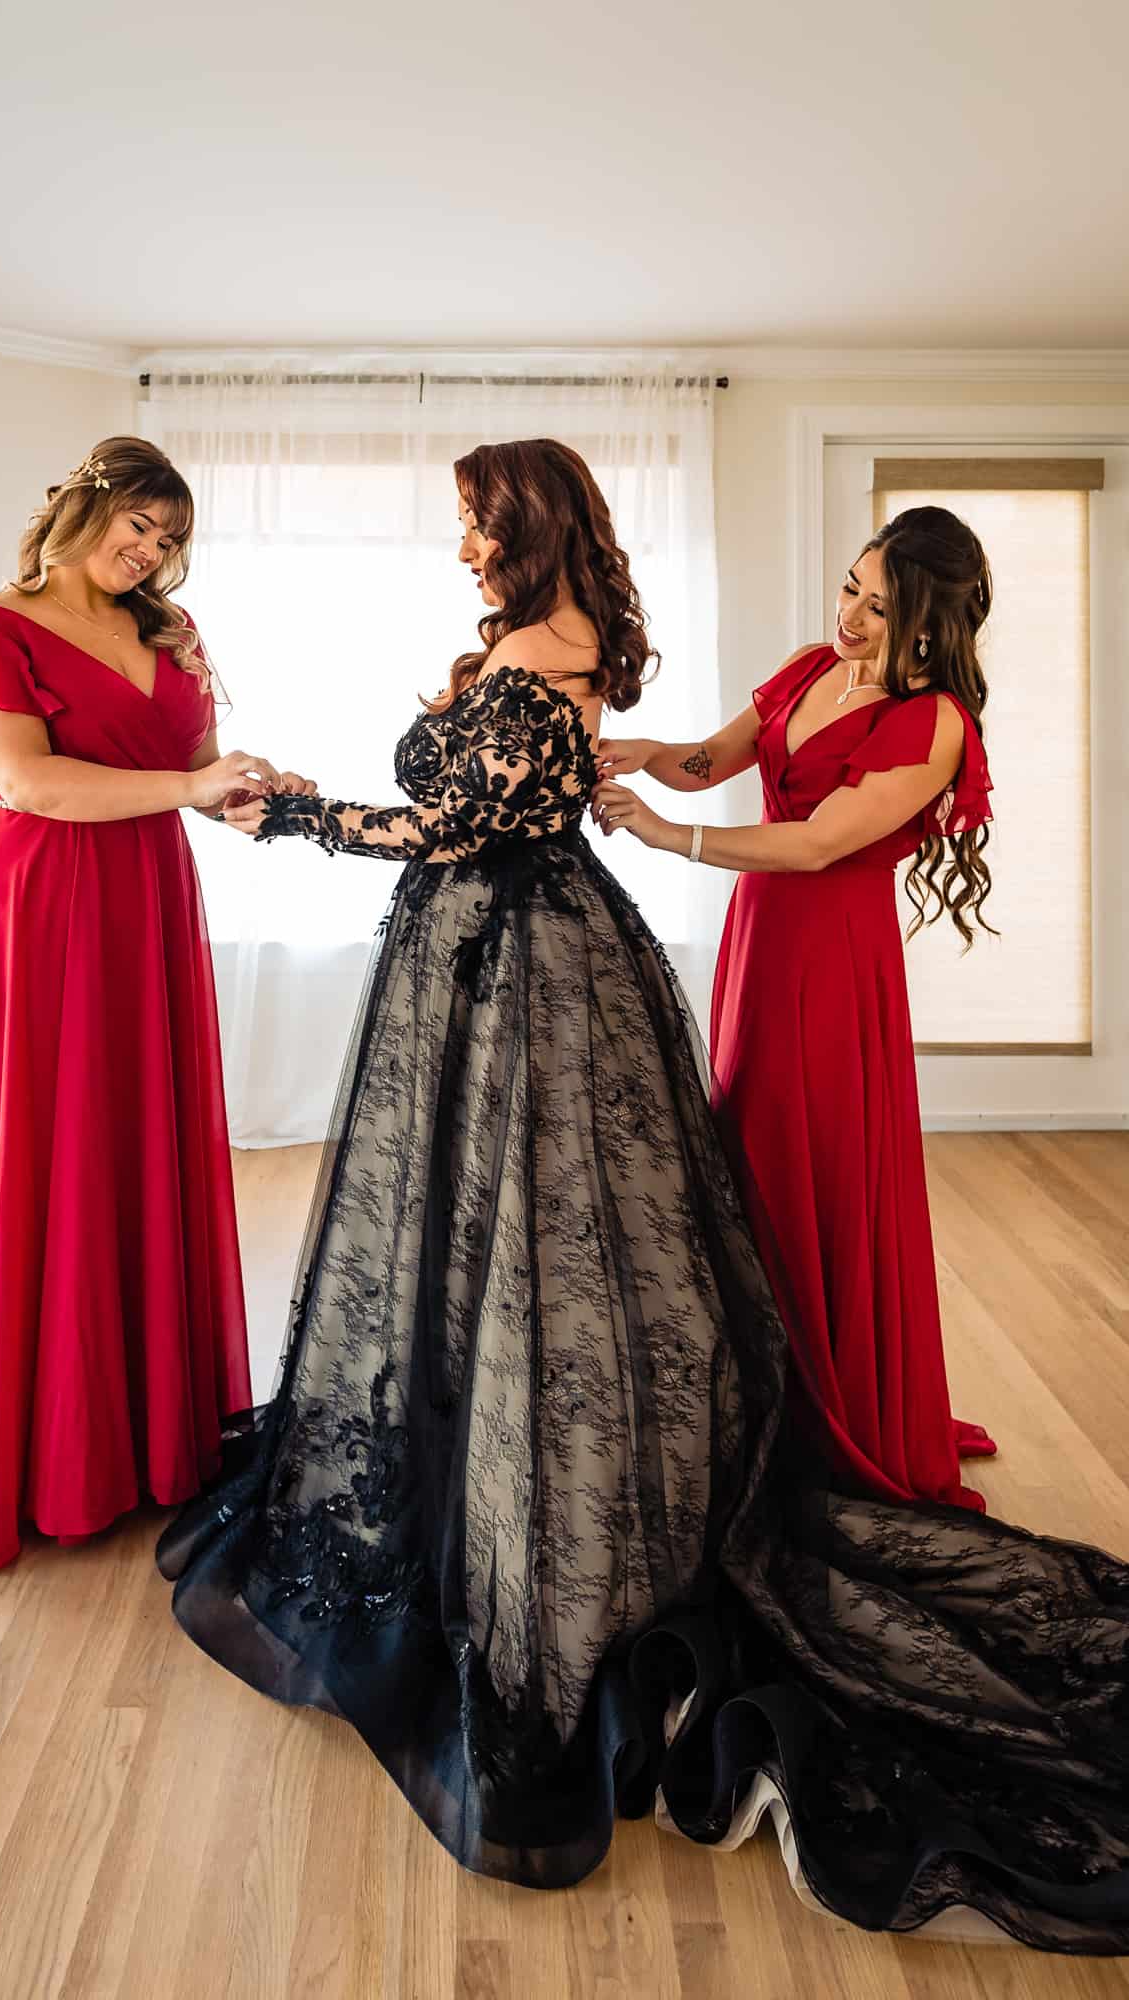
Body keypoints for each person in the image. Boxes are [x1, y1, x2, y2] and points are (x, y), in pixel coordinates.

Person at [158, 446, 1129, 1947]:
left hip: (665, 959)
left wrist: (282, 813)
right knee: (569, 1224)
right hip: (569, 945)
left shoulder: (862, 713)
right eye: (848, 592)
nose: (847, 618)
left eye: (480, 528)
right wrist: (570, 747)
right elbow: (659, 758)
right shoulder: (587, 651)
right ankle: (548, 1418)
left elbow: (486, 831)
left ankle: (700, 1439)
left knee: (609, 1229)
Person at [0, 435, 306, 1569]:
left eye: (171, 539)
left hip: (145, 899)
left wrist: (245, 783)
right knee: (47, 1149)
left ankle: (141, 1442)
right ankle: (38, 1452)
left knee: (130, 1145)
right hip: (36, 908)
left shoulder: (168, 631)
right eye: (139, 526)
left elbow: (200, 761)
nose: (152, 551)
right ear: (85, 507)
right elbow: (26, 779)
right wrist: (185, 786)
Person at [594, 507, 998, 1511]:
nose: (852, 614)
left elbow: (818, 843)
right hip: (761, 936)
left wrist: (669, 837)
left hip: (830, 951)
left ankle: (832, 1406)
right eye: (851, 586)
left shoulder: (932, 720)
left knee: (803, 1155)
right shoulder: (812, 663)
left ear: (929, 618)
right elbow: (714, 757)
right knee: (749, 1148)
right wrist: (645, 753)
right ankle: (762, 1389)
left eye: (878, 601)